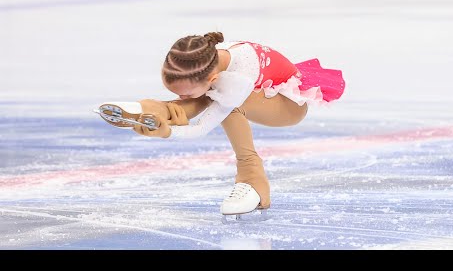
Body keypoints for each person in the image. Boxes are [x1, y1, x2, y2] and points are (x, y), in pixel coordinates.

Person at [98, 32, 345, 217]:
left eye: (183, 95)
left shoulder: (237, 80)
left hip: (288, 106)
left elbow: (201, 128)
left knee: (226, 101)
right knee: (208, 94)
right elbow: (202, 91)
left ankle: (253, 181)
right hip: (237, 87)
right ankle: (155, 109)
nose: (183, 97)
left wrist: (167, 132)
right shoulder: (200, 59)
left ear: (212, 76)